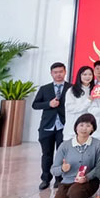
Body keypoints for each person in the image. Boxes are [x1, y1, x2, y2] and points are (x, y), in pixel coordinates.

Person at [49, 113, 100, 198]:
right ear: (76, 127)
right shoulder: (65, 145)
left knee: (75, 193)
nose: (84, 128)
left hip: (88, 181)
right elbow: (53, 170)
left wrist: (87, 177)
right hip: (67, 182)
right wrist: (62, 169)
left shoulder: (97, 144)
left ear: (93, 129)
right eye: (81, 125)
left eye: (88, 125)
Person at [32, 62, 72, 190]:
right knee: (47, 154)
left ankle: (59, 179)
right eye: (55, 72)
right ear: (51, 73)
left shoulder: (71, 88)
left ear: (65, 72)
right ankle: (45, 179)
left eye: (61, 71)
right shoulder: (45, 88)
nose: (58, 74)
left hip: (64, 127)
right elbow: (35, 105)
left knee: (62, 155)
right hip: (47, 126)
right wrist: (48, 104)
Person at [63, 66, 94, 141]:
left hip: (90, 129)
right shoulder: (72, 90)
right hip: (72, 129)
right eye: (84, 74)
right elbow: (70, 108)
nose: (87, 77)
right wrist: (88, 101)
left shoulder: (95, 90)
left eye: (90, 74)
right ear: (79, 76)